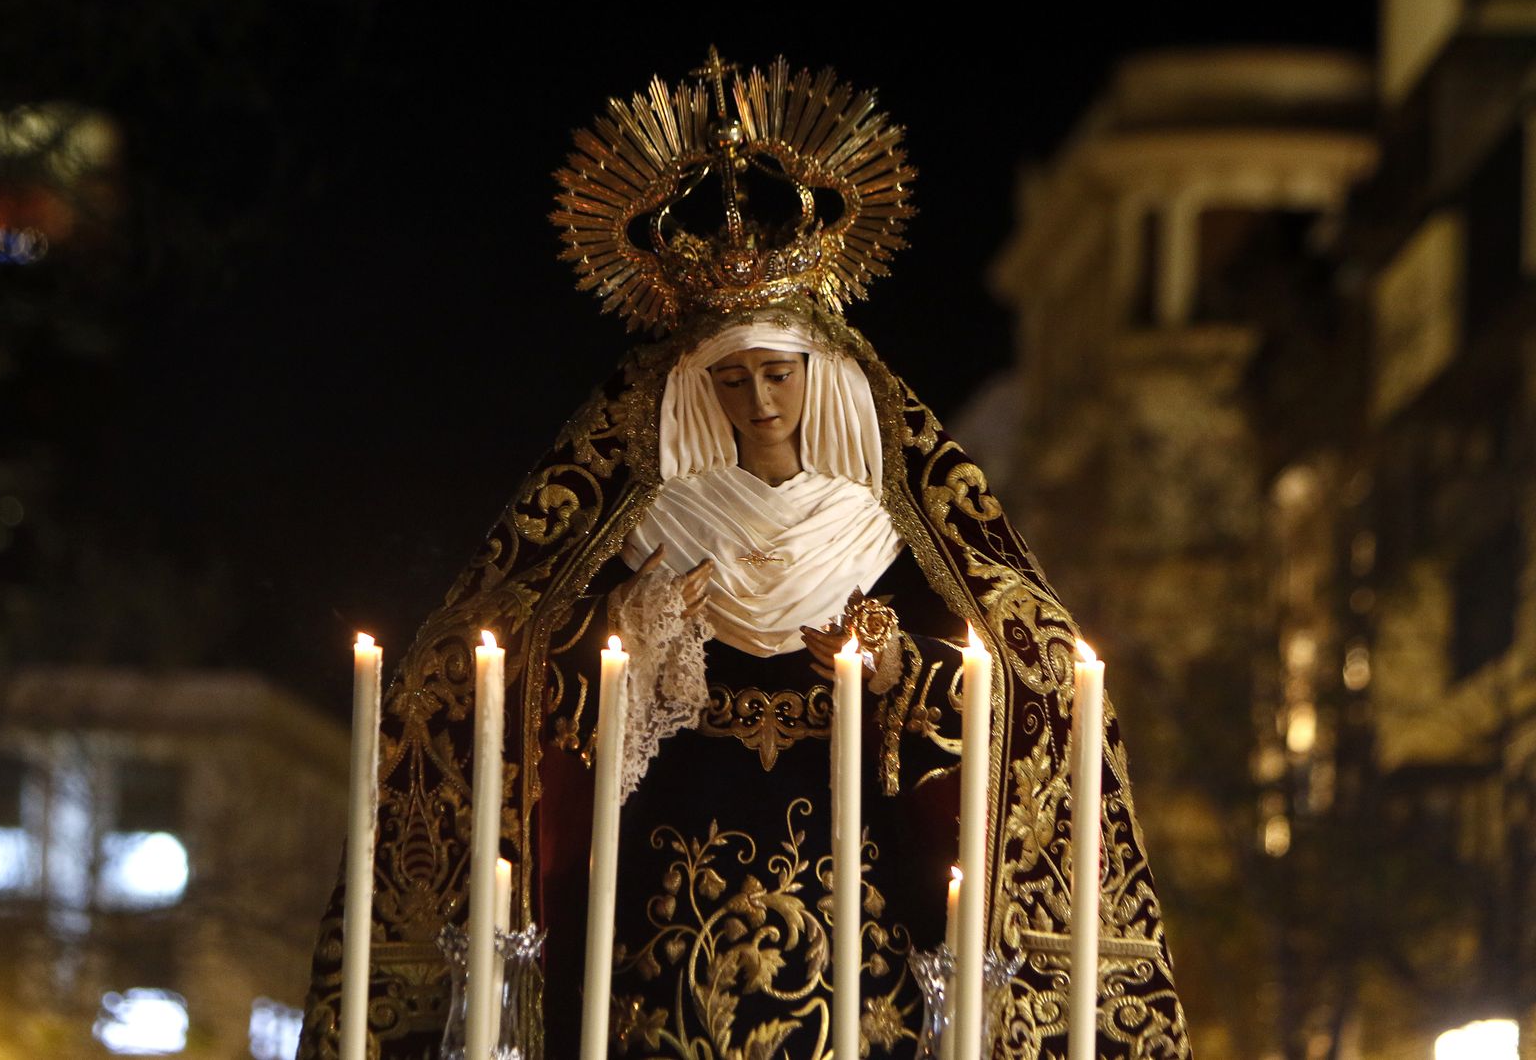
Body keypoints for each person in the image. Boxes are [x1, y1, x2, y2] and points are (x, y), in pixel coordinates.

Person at [296, 52, 1191, 1060]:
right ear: (695, 390)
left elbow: (1032, 681)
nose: (759, 402)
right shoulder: (634, 522)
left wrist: (899, 671)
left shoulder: (897, 530)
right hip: (644, 960)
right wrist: (621, 640)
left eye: (779, 373)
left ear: (822, 376)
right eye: (731, 380)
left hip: (869, 967)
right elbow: (478, 677)